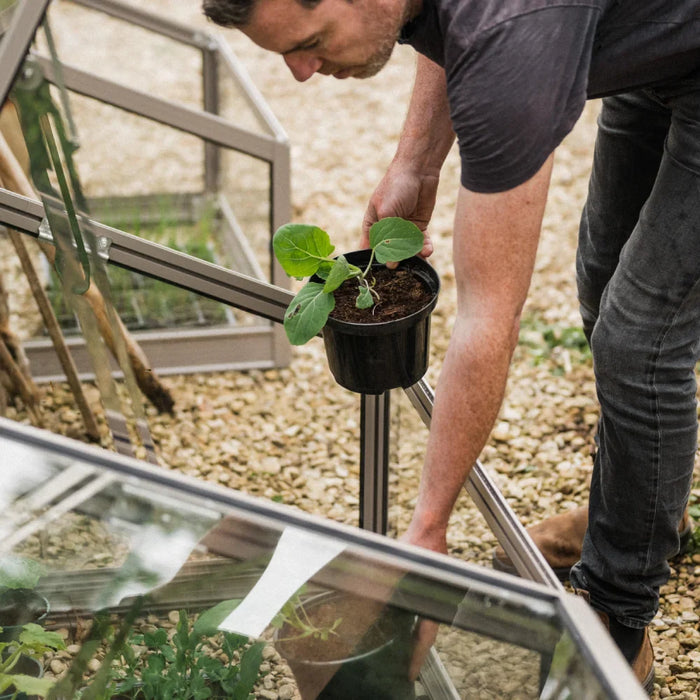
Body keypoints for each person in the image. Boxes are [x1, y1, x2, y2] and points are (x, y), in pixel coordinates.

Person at [202, 0, 700, 692]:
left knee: (639, 335)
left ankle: (618, 609)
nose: (301, 73)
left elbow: (488, 315)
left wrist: (428, 532)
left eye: (312, 42)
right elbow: (439, 17)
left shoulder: (509, 41)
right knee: (601, 276)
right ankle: (649, 510)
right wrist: (417, 160)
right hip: (651, 42)